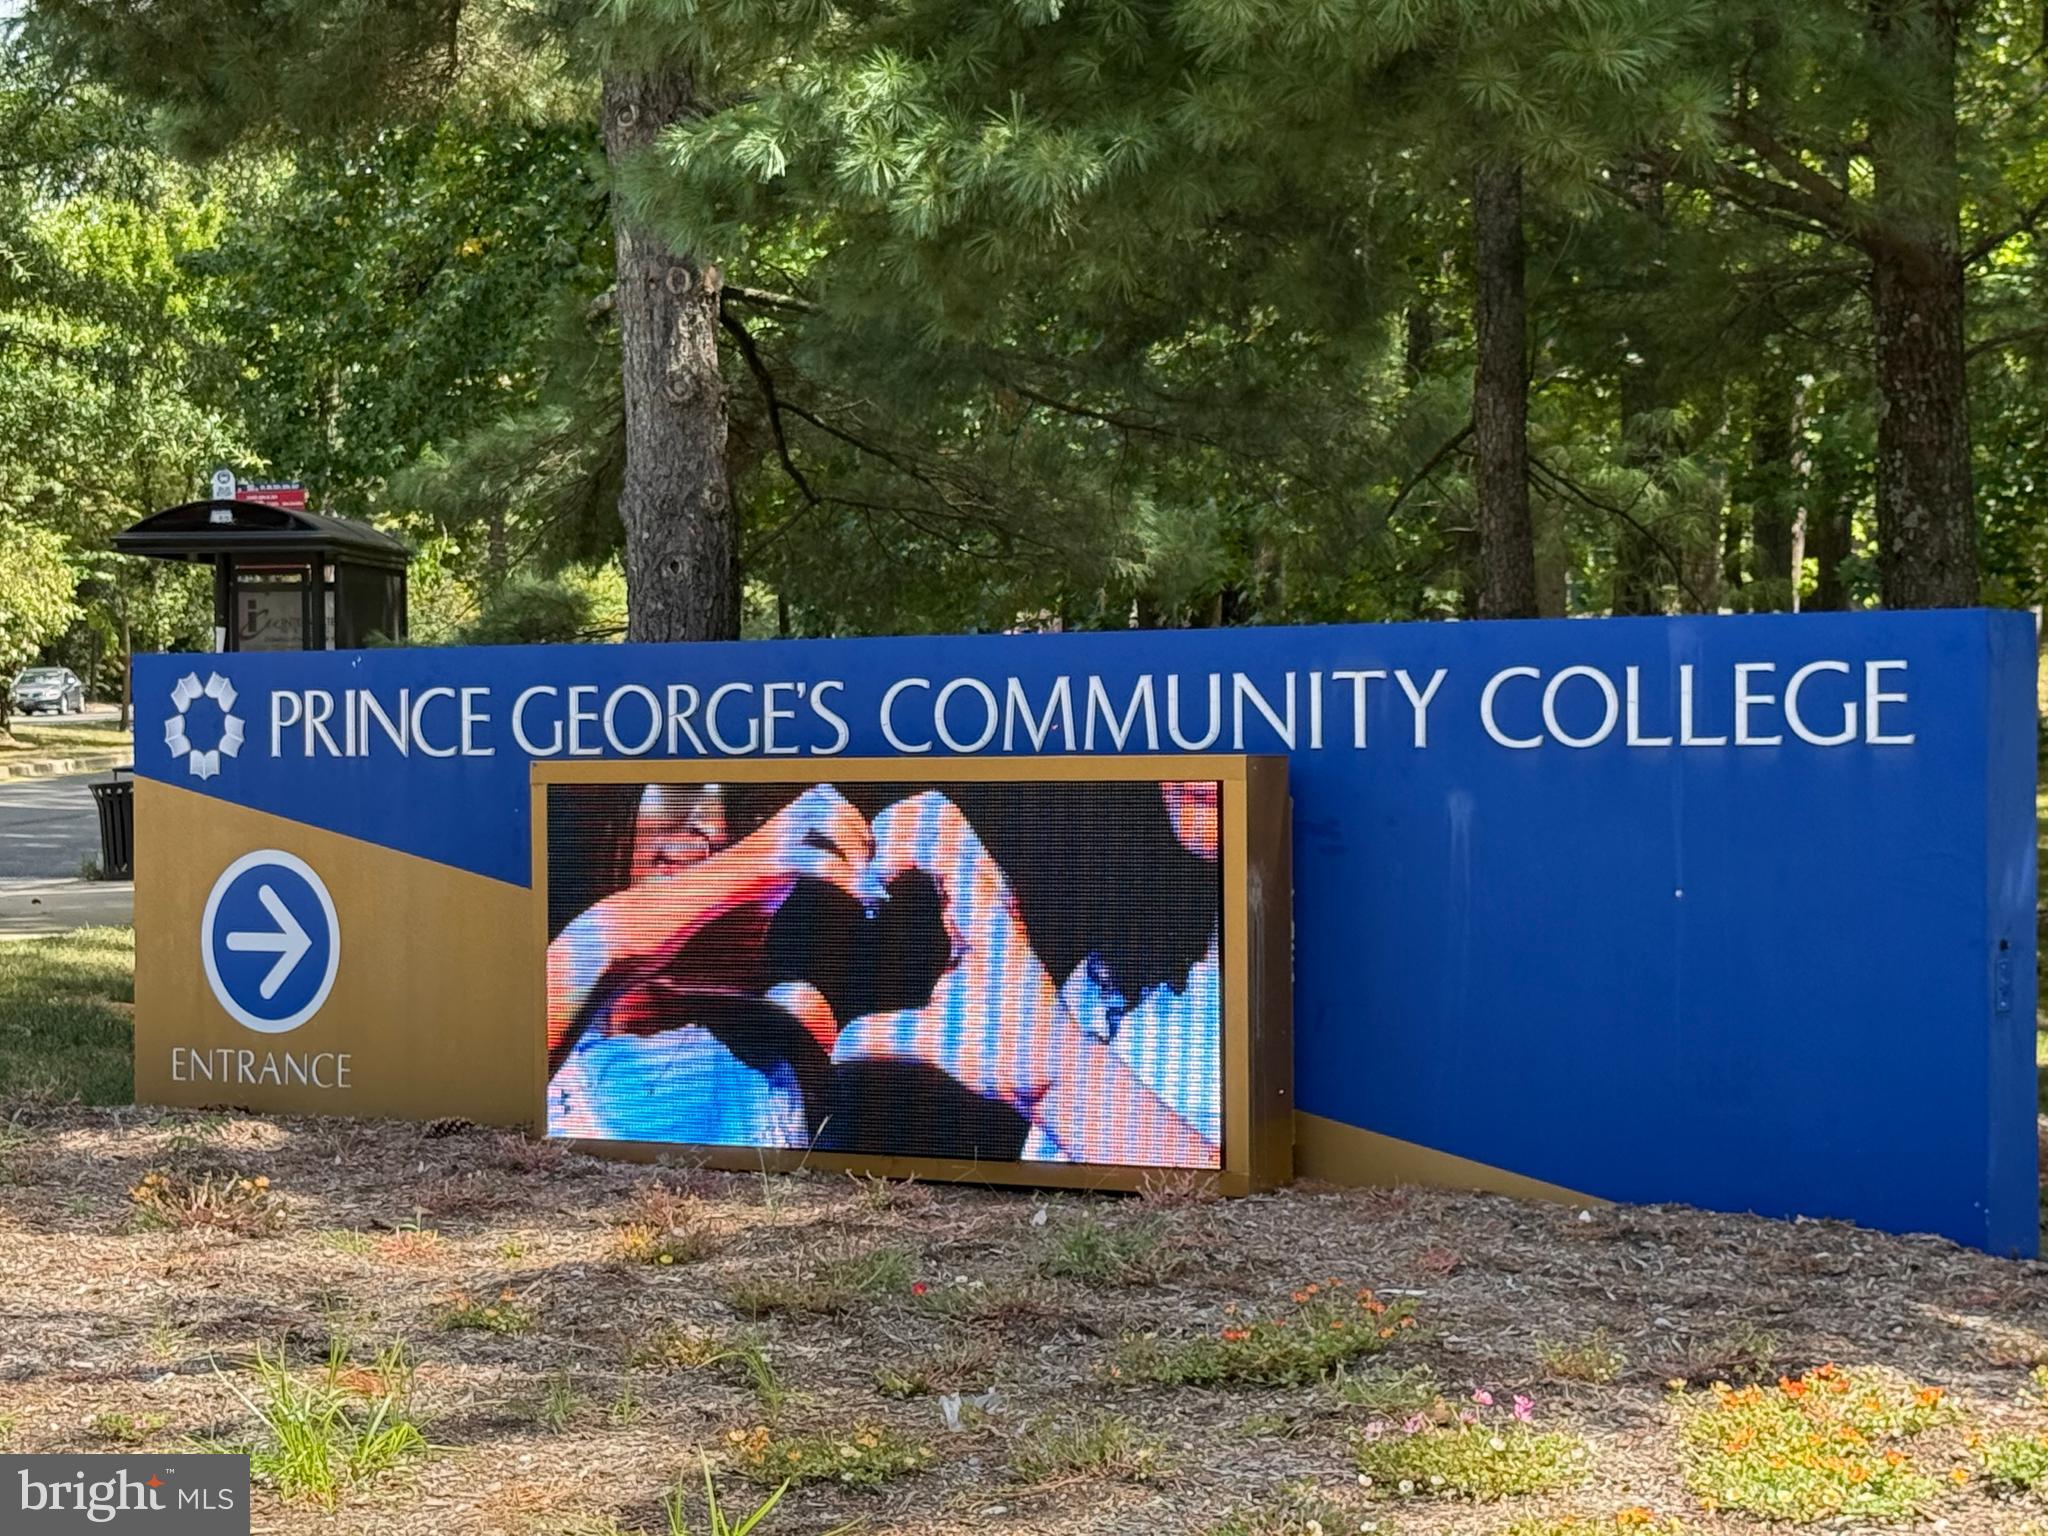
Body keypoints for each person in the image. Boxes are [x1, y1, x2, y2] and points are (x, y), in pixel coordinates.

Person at [544, 782, 873, 1146]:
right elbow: (600, 945)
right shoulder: (549, 1010)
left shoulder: (790, 1020)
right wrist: (749, 860)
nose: (710, 828)